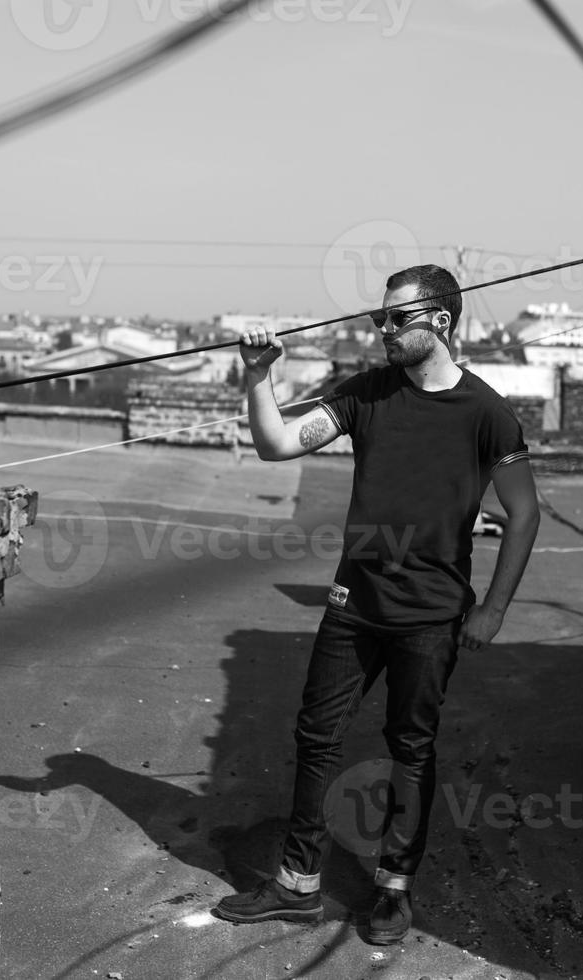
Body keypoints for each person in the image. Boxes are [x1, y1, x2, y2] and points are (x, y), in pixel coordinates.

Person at [211, 265, 541, 944]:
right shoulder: (368, 393)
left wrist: (495, 610)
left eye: (396, 319)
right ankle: (298, 885)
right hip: (354, 603)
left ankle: (394, 888)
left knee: (410, 749)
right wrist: (256, 374)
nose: (383, 330)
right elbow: (277, 444)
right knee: (316, 736)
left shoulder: (487, 412)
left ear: (440, 323)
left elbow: (527, 513)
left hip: (430, 615)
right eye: (378, 319)